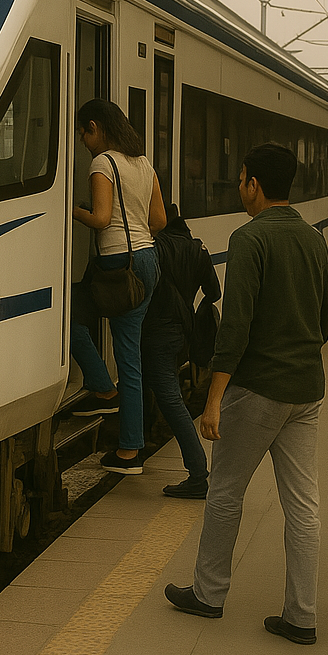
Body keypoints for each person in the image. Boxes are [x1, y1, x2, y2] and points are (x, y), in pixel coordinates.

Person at [163, 143, 328, 645]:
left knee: (225, 491)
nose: (239, 187)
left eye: (240, 179)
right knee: (303, 506)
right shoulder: (314, 240)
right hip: (306, 391)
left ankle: (208, 593)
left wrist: (214, 399)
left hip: (258, 389)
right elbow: (323, 324)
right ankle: (301, 616)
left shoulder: (249, 238)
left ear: (254, 184)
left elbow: (234, 327)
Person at [69, 98, 167, 473]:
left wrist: (71, 210)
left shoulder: (103, 164)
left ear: (95, 127)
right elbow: (158, 220)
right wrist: (136, 230)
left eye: (83, 132)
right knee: (130, 357)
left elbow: (101, 219)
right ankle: (113, 409)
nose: (82, 140)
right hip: (148, 259)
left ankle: (126, 444)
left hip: (117, 264)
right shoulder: (144, 164)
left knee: (68, 318)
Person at [141, 203, 220, 495]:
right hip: (182, 332)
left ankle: (198, 474)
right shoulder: (198, 249)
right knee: (154, 387)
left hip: (157, 332)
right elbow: (214, 292)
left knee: (171, 400)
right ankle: (136, 446)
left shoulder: (155, 247)